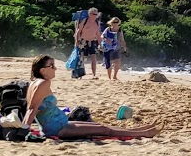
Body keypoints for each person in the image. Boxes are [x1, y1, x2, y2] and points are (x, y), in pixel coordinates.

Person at [24, 56, 160, 140]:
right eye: (52, 66)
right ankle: (145, 133)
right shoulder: (43, 83)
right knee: (104, 131)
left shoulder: (34, 83)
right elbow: (32, 109)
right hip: (56, 128)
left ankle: (142, 129)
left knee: (100, 125)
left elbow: (31, 108)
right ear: (42, 70)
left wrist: (23, 127)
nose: (55, 69)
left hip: (60, 123)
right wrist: (23, 131)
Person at [75, 8, 103, 78]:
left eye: (96, 14)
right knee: (82, 58)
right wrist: (77, 41)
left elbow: (98, 34)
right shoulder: (85, 21)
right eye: (94, 14)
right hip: (83, 41)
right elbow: (78, 31)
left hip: (92, 41)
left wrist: (100, 44)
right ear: (90, 14)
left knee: (94, 58)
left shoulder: (97, 23)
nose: (95, 16)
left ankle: (94, 74)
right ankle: (80, 74)